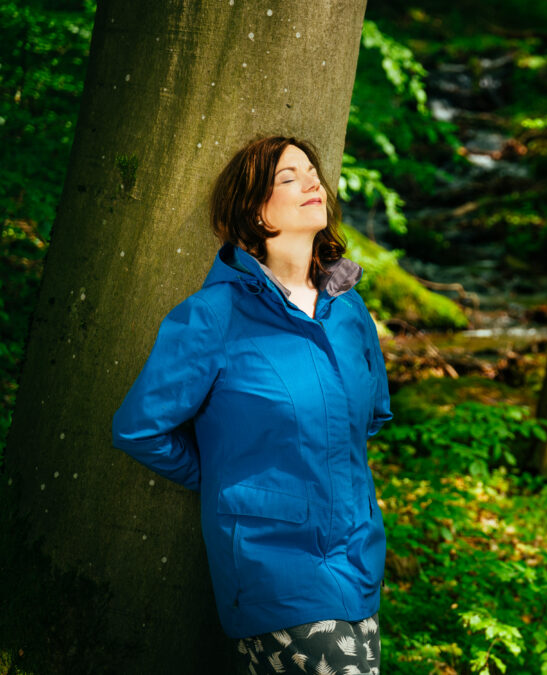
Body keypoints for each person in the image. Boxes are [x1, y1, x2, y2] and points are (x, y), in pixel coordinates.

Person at [112, 135, 392, 674]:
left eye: (312, 172)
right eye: (289, 177)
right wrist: (225, 476)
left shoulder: (349, 308)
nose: (313, 182)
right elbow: (139, 427)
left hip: (359, 556)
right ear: (254, 212)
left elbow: (372, 414)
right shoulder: (213, 315)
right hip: (275, 566)